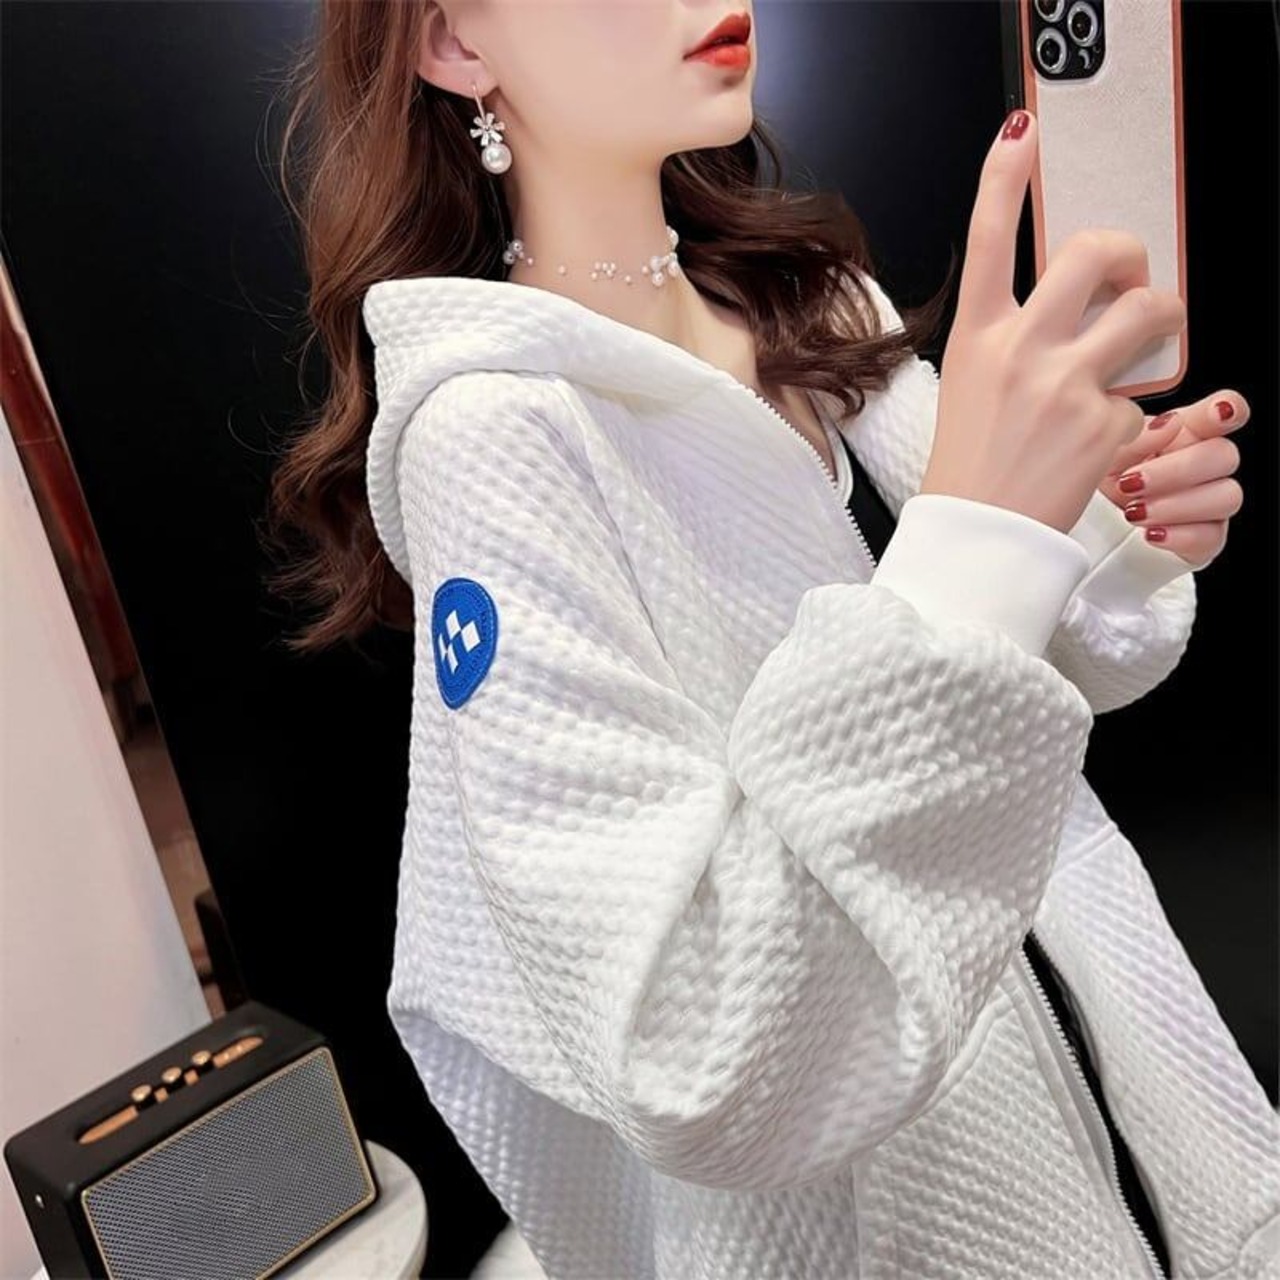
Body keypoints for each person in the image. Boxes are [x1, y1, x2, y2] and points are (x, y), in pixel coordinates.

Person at [266, 3, 1279, 1277]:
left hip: (1133, 1055)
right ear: (457, 48)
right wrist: (977, 541)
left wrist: (1108, 522)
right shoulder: (496, 439)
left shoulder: (809, 298)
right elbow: (695, 1049)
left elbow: (1077, 660)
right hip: (917, 1199)